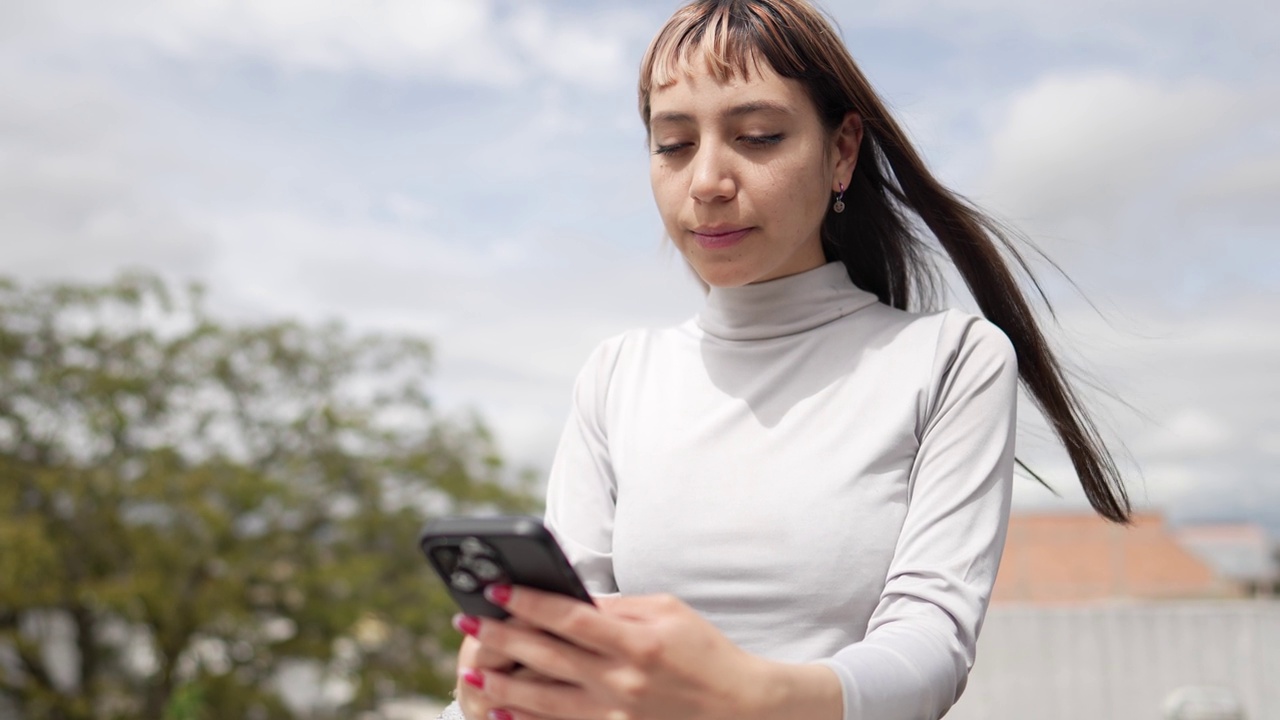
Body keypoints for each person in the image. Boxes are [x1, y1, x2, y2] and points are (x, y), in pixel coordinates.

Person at [440, 1, 1130, 718]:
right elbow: (573, 639)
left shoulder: (950, 360)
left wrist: (748, 696)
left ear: (841, 151)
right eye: (673, 144)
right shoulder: (617, 374)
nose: (706, 179)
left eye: (758, 136)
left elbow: (931, 643)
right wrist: (494, 688)